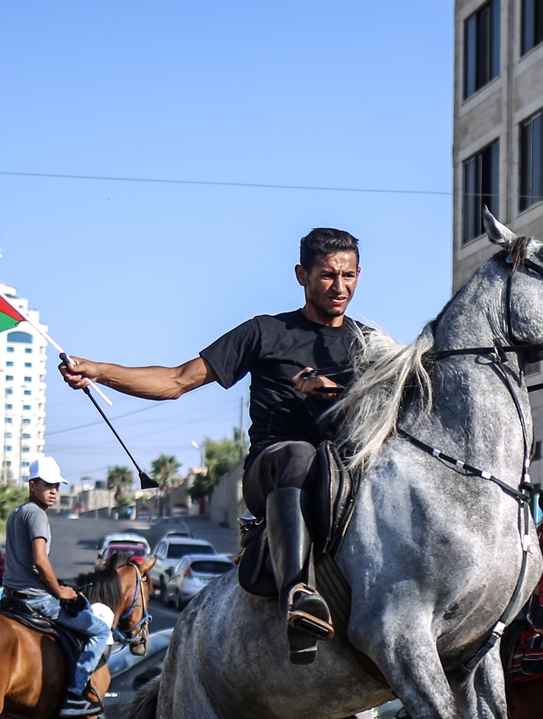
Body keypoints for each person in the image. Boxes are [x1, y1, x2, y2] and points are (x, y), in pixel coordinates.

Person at [59, 227, 369, 663]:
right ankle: (297, 595)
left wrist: (334, 392)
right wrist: (99, 370)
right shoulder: (265, 332)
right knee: (300, 453)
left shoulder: (369, 345)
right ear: (302, 275)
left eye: (349, 275)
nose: (340, 287)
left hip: (342, 478)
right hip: (274, 469)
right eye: (327, 275)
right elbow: (175, 381)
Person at [2, 456, 114, 717]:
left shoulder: (16, 513)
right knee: (98, 630)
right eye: (48, 485)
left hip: (10, 597)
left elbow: (27, 564)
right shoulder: (37, 514)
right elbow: (40, 561)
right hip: (36, 600)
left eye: (58, 486)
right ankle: (74, 694)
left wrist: (59, 584)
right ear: (33, 485)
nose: (54, 491)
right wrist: (59, 590)